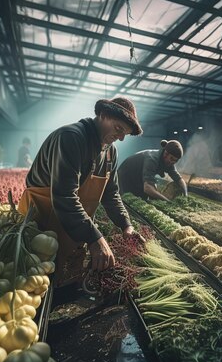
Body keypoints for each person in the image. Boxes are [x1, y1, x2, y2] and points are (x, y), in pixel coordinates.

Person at [18, 97, 144, 287]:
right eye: (118, 129)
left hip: (71, 224)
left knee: (62, 281)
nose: (120, 138)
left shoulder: (110, 152)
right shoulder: (71, 138)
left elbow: (111, 195)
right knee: (33, 283)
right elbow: (64, 196)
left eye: (124, 134)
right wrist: (95, 238)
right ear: (102, 114)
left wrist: (126, 226)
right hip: (40, 223)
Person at [118, 139, 187, 201]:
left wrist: (185, 194)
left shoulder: (169, 163)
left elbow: (179, 179)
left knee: (144, 198)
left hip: (139, 178)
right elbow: (147, 188)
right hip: (125, 176)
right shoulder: (152, 159)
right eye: (171, 159)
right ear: (166, 154)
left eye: (175, 161)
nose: (172, 162)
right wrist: (167, 201)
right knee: (127, 200)